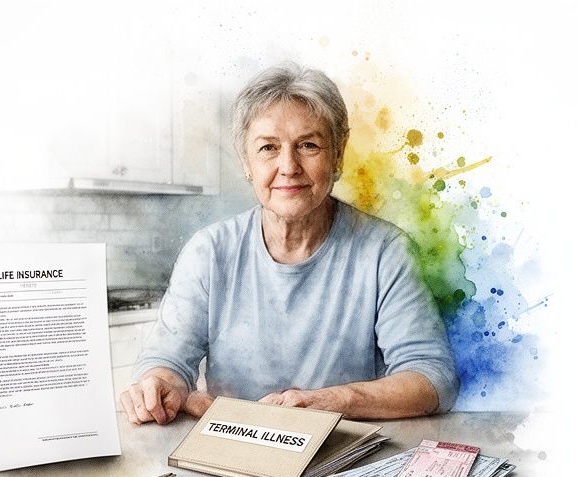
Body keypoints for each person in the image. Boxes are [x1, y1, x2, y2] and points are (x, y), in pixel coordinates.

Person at [119, 63, 458, 425]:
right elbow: (168, 362)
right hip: (232, 453)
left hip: (343, 455)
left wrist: (328, 402)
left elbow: (432, 378)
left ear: (338, 154)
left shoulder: (385, 251)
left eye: (308, 145)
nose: (288, 166)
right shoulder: (209, 251)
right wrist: (157, 385)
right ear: (246, 162)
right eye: (267, 147)